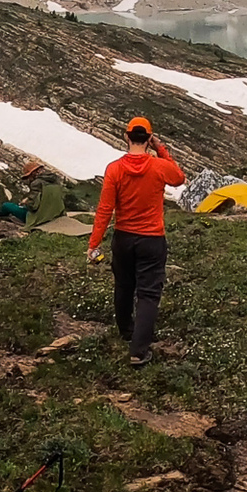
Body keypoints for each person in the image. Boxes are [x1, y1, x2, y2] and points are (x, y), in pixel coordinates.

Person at [88, 117, 185, 366]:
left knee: (123, 285)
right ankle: (139, 351)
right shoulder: (158, 166)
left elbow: (105, 209)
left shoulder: (115, 169)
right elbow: (179, 178)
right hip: (152, 238)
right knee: (149, 294)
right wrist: (160, 148)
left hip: (123, 238)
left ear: (126, 136)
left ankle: (126, 331)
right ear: (149, 138)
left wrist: (94, 244)